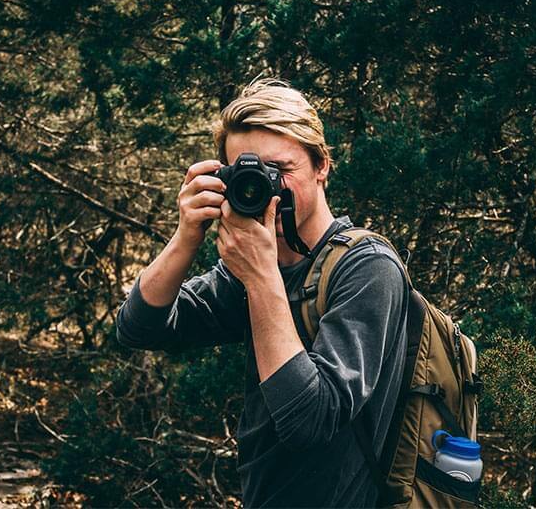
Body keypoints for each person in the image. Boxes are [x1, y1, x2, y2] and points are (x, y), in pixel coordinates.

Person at [116, 78, 409, 507]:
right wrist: (186, 238)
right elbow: (138, 328)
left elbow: (310, 421)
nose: (269, 188)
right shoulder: (253, 268)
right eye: (249, 173)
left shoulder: (368, 268)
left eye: (281, 170)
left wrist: (260, 276)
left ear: (322, 165)